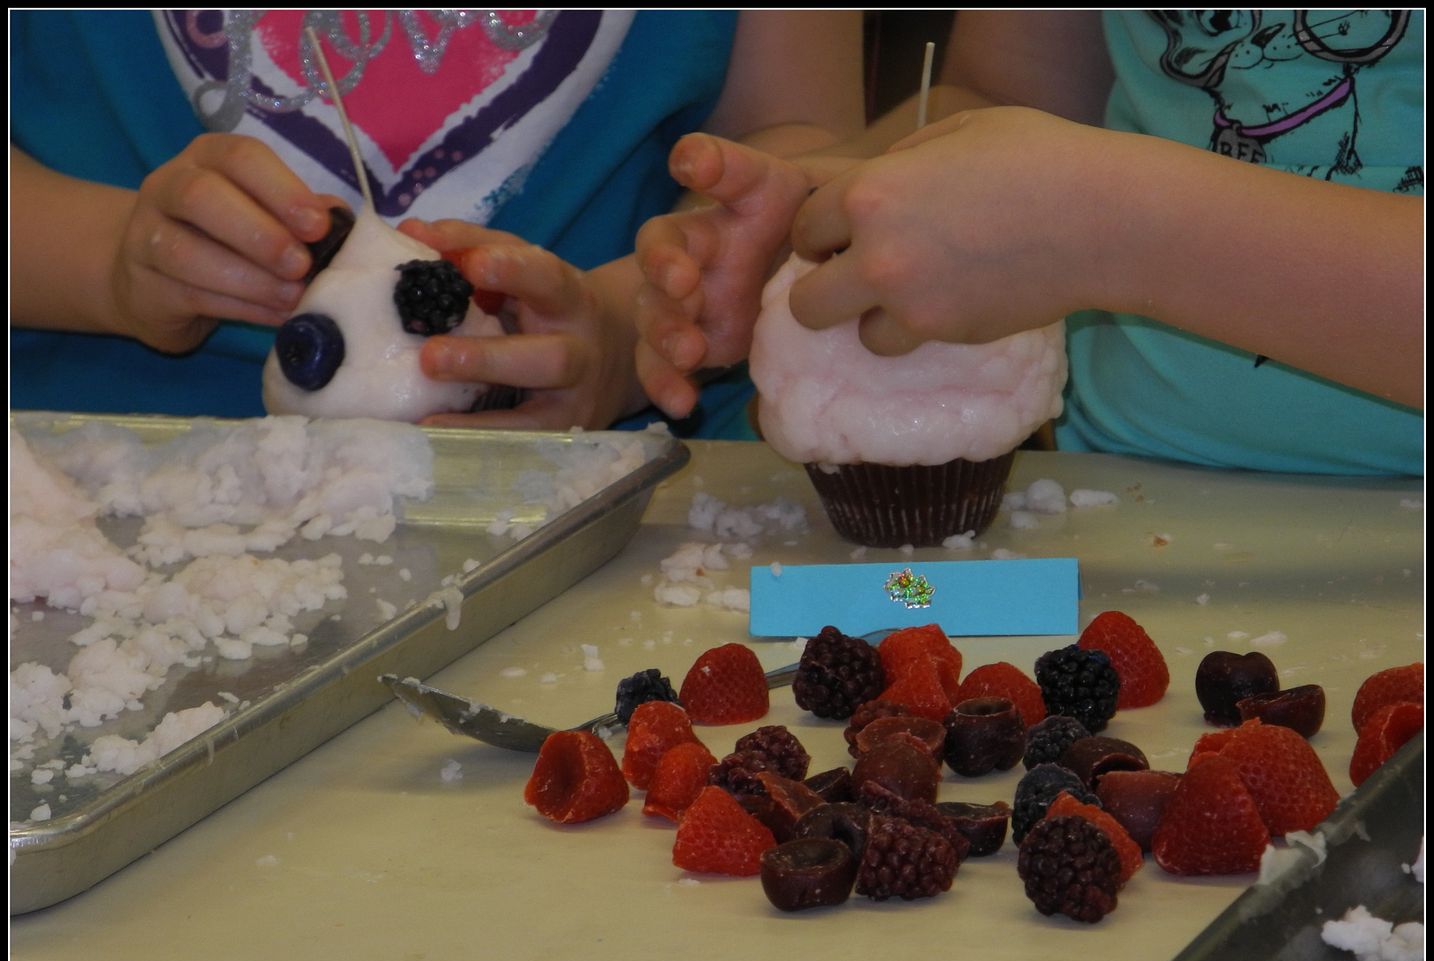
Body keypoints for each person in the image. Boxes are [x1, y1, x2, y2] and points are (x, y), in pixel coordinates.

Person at [634, 10, 1423, 476]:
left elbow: (1081, 205)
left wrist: (1108, 226)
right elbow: (1013, 97)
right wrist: (840, 206)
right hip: (1117, 503)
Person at [10, 9, 863, 435]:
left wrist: (632, 325)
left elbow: (789, 149)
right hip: (102, 495)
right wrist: (112, 264)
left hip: (627, 512)